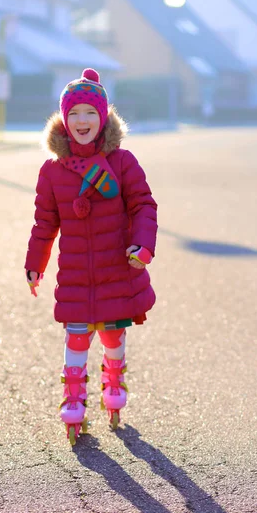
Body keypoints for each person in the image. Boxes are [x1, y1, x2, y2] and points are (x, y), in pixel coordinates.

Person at [25, 68, 158, 445]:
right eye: (74, 114)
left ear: (103, 118)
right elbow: (44, 223)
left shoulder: (122, 161)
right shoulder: (52, 171)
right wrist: (35, 263)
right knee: (77, 335)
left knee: (114, 331)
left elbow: (143, 206)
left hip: (118, 266)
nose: (82, 121)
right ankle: (74, 394)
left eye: (90, 113)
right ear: (65, 121)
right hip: (77, 272)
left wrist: (142, 245)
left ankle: (113, 381)